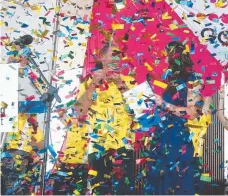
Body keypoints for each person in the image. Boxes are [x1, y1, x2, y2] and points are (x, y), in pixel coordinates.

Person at [72, 43, 136, 195]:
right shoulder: (89, 81)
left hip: (124, 146)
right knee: (100, 190)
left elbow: (141, 112)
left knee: (124, 191)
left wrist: (122, 85)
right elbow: (80, 110)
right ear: (102, 56)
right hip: (98, 147)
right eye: (113, 53)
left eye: (119, 54)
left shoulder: (129, 81)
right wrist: (94, 84)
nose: (116, 57)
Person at [144, 41, 202, 195]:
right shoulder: (165, 79)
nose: (163, 59)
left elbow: (193, 112)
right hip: (160, 136)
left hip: (177, 138)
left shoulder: (192, 79)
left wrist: (165, 105)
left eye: (166, 55)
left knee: (176, 181)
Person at [1, 112, 44, 195]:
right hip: (9, 152)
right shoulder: (12, 118)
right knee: (6, 177)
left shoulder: (35, 127)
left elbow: (41, 145)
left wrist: (33, 143)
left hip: (22, 155)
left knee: (15, 179)